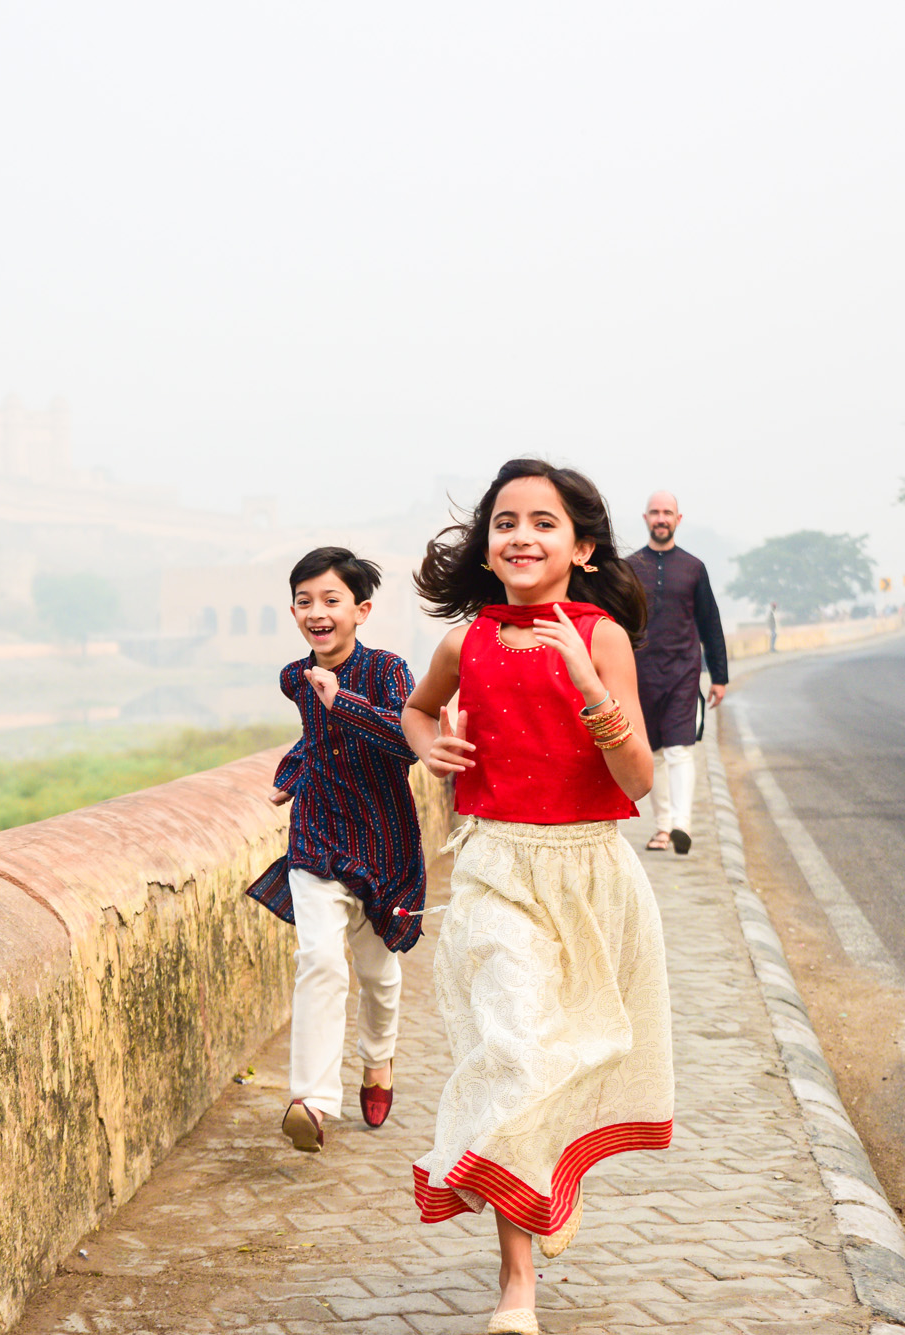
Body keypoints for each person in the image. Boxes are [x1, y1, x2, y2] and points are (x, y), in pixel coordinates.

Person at [403, 459, 673, 1334]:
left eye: (544, 522)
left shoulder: (602, 637)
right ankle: (516, 1283)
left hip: (590, 873)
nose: (521, 536)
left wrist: (588, 685)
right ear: (488, 545)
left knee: (576, 1049)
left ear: (583, 547)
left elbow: (636, 779)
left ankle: (551, 1170)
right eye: (505, 521)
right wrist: (429, 749)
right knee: (516, 1048)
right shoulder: (464, 640)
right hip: (494, 868)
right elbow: (417, 710)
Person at [246, 547, 424, 1153]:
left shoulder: (388, 669)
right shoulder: (295, 677)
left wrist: (338, 699)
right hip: (317, 836)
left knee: (379, 972)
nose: (316, 613)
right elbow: (314, 742)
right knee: (319, 958)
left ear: (361, 609)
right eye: (304, 601)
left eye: (330, 600)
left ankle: (379, 1062)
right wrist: (289, 776)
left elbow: (406, 741)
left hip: (382, 842)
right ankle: (314, 1101)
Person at [624, 491, 729, 856]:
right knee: (652, 752)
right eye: (655, 512)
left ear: (678, 519)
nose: (661, 518)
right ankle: (662, 828)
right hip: (640, 673)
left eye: (667, 512)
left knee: (680, 749)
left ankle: (682, 825)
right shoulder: (629, 567)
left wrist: (719, 675)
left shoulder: (694, 568)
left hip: (684, 671)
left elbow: (710, 622)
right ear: (645, 518)